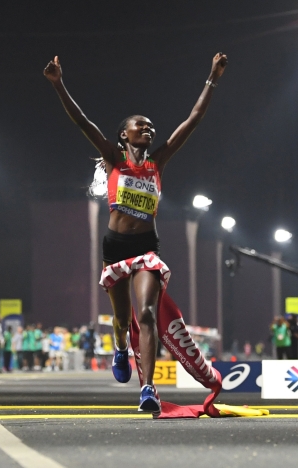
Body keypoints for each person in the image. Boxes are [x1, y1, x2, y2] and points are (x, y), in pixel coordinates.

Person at [44, 51, 228, 412]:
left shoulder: (158, 162)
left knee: (145, 313)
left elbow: (194, 118)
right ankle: (120, 347)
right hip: (115, 248)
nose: (148, 129)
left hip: (146, 248)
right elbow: (82, 122)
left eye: (150, 127)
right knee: (120, 318)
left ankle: (147, 388)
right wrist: (58, 84)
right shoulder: (113, 158)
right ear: (123, 134)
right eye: (139, 126)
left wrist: (212, 78)